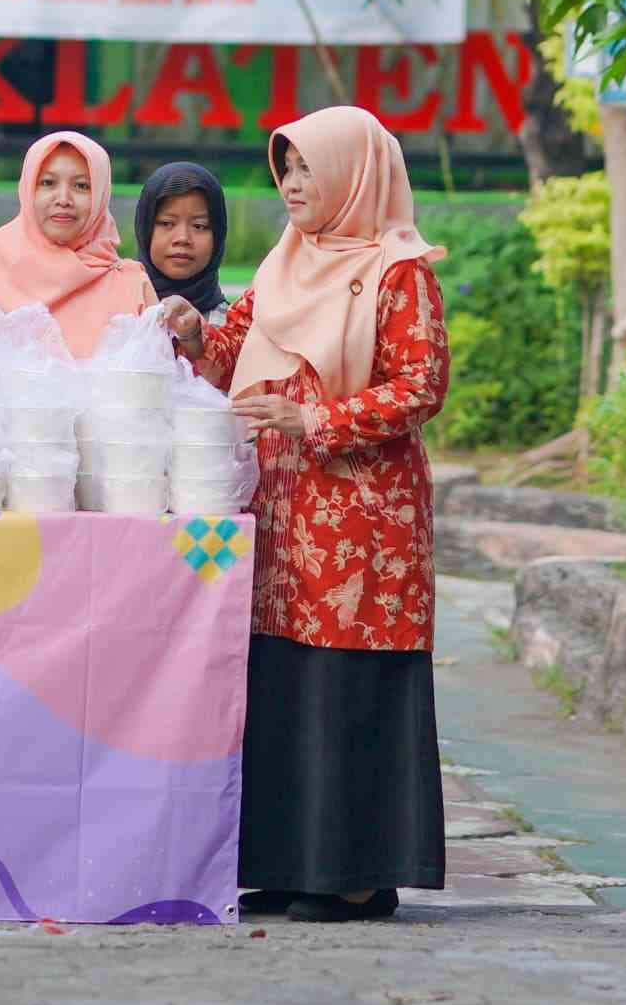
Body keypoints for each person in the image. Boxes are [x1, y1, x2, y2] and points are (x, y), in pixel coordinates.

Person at [184, 105, 448, 922]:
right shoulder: (286, 261)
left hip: (365, 526)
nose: (294, 185)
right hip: (285, 516)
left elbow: (420, 384)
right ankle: (294, 862)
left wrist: (320, 420)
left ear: (353, 173)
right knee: (286, 683)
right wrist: (192, 328)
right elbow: (235, 342)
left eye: (308, 168)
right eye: (286, 168)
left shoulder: (399, 270)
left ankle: (357, 873)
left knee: (349, 688)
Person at [0, 130, 154, 352]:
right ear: (28, 189)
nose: (63, 199)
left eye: (82, 186)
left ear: (101, 195)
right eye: (48, 182)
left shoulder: (129, 285)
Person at [135, 161, 228, 319]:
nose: (183, 238)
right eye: (167, 223)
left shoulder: (232, 331)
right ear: (145, 229)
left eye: (199, 226)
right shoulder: (114, 311)